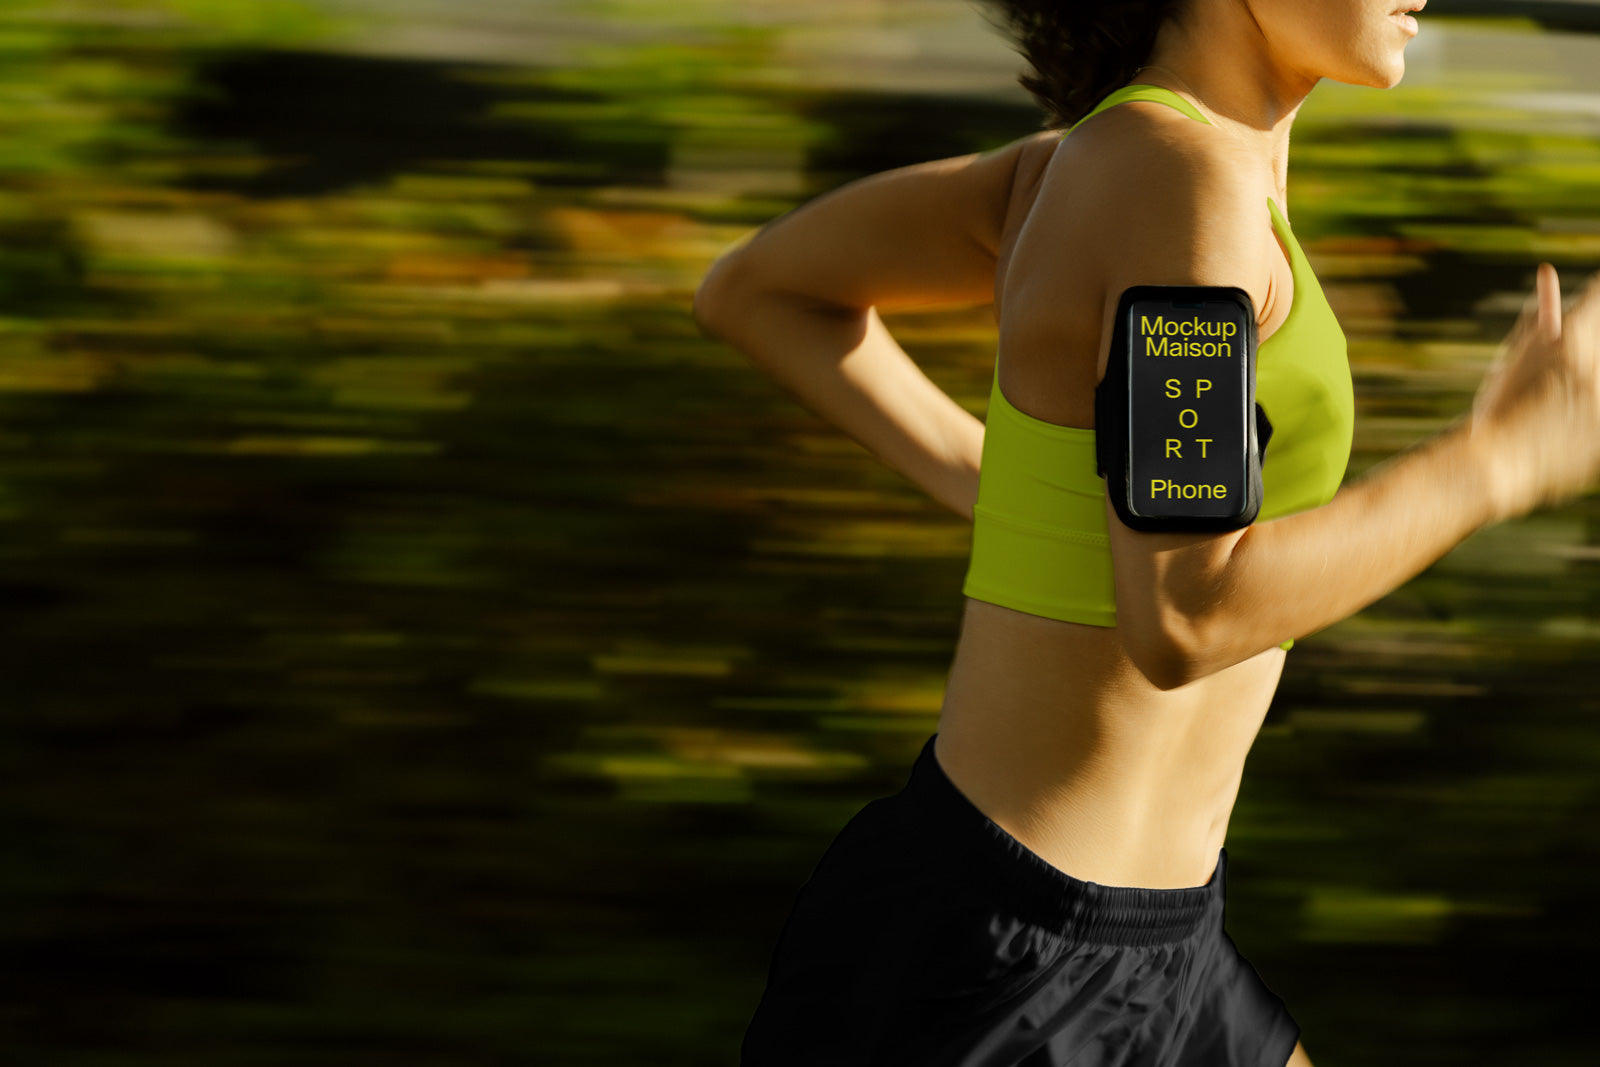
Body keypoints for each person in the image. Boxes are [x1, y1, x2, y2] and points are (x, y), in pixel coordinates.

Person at [693, 1, 1600, 1064]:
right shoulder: (1178, 182)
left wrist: (1017, 495)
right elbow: (1186, 613)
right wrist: (1497, 461)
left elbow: (760, 291)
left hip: (1169, 943)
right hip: (1005, 965)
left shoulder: (1129, 172)